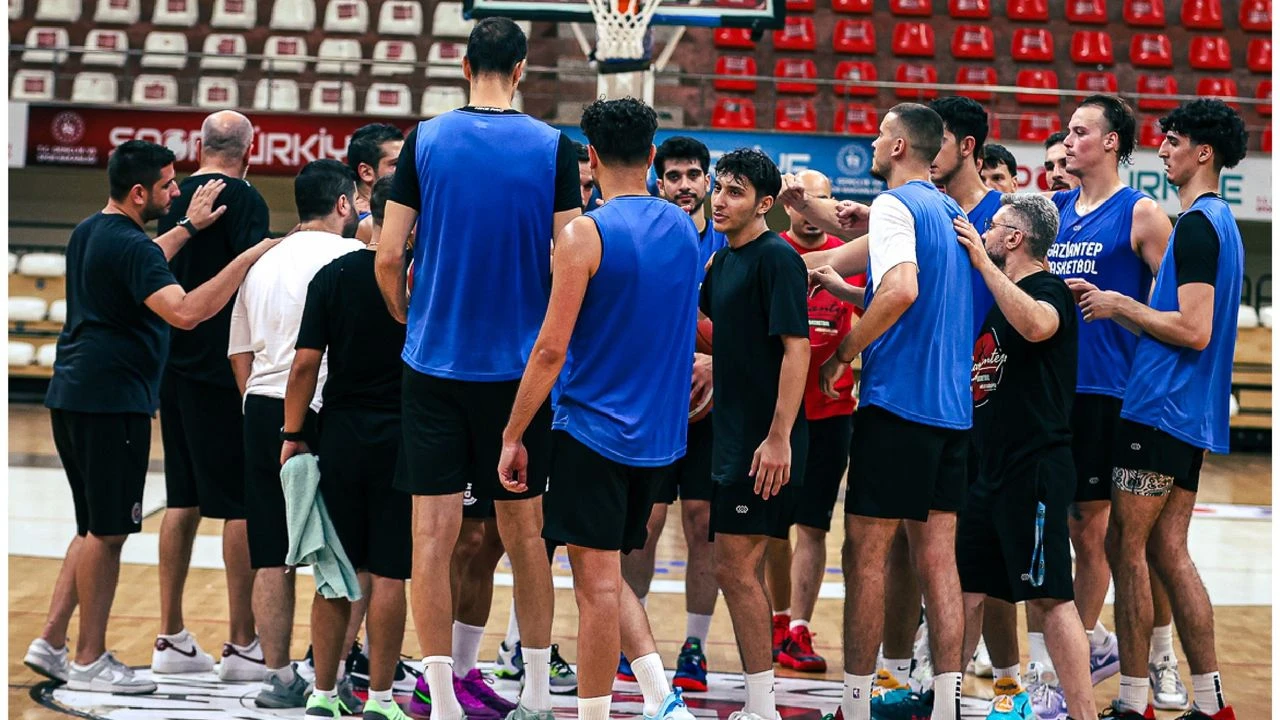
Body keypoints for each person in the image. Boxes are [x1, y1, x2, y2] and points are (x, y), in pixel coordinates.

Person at [375, 17, 583, 720]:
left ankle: (439, 697)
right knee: (526, 538)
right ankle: (530, 694)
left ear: (465, 66)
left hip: (433, 366)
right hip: (519, 378)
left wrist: (412, 318)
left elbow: (385, 254)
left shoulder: (424, 139)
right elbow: (569, 258)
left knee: (429, 540)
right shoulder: (555, 146)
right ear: (522, 70)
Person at [26, 140, 279, 693]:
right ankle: (90, 659)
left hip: (71, 392)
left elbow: (145, 258)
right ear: (140, 192)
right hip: (113, 401)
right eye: (168, 185)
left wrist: (187, 226)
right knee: (111, 533)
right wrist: (247, 257)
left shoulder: (94, 230)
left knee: (92, 527)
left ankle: (49, 640)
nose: (177, 190)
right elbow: (186, 312)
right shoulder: (133, 248)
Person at [500, 95, 700, 720]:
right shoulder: (684, 229)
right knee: (611, 585)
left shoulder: (584, 234)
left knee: (596, 592)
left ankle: (593, 714)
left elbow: (550, 348)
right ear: (650, 156)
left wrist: (513, 431)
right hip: (660, 444)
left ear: (590, 155)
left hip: (593, 434)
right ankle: (659, 699)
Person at [1069, 99, 1245, 720]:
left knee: (1127, 548)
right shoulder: (1220, 224)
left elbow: (1193, 330)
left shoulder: (1196, 226)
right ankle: (1211, 700)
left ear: (1203, 153)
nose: (1163, 150)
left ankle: (1136, 697)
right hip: (1188, 411)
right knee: (1169, 551)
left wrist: (1121, 306)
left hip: (1159, 407)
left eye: (1174, 141)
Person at [811, 104, 971, 720]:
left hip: (899, 404)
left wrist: (846, 352)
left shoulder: (896, 206)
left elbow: (901, 289)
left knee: (864, 555)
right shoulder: (950, 210)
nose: (872, 142)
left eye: (880, 133)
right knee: (938, 562)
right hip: (951, 412)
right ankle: (948, 705)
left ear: (900, 145)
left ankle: (854, 707)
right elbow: (919, 293)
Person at [1038, 94, 1176, 715]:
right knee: (1057, 527)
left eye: (1080, 132)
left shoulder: (1142, 215)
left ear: (1113, 141)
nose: (1068, 142)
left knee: (1089, 528)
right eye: (1067, 132)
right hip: (1051, 390)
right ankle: (1078, 649)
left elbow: (1180, 311)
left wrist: (1121, 308)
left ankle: (1085, 651)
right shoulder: (1056, 210)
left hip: (1109, 393)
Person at [953, 194, 1097, 720]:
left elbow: (1039, 325)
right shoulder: (1003, 294)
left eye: (993, 227)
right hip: (988, 469)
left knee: (1050, 597)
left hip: (1034, 468)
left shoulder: (1045, 287)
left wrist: (986, 268)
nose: (985, 233)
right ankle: (945, 700)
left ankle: (1082, 714)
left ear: (1014, 238)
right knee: (966, 590)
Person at [229, 159, 365, 709]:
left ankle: (280, 676)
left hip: (262, 408)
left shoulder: (263, 263)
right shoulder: (354, 258)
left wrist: (254, 401)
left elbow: (238, 348)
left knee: (272, 553)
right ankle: (331, 673)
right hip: (326, 411)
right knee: (351, 550)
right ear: (342, 203)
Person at [142, 110, 272, 681]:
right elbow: (252, 286)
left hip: (173, 364)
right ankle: (243, 642)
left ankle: (169, 635)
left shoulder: (173, 198)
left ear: (198, 145)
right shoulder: (247, 200)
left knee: (181, 501)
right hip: (224, 366)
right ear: (252, 148)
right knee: (239, 505)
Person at [278, 176, 412, 719]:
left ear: (369, 214)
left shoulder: (332, 275)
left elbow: (305, 364)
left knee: (337, 569)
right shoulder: (421, 278)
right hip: (407, 438)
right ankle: (381, 698)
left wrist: (291, 435)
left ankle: (324, 694)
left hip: (341, 436)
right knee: (389, 573)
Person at [701, 148, 810, 720]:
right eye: (719, 187)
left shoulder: (777, 260)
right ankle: (759, 699)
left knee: (736, 569)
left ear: (766, 204)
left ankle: (763, 705)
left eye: (735, 190)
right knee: (732, 567)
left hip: (765, 443)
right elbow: (727, 339)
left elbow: (798, 348)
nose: (719, 199)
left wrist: (778, 437)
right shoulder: (721, 264)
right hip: (730, 435)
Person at [618, 134, 726, 693]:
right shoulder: (642, 235)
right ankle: (631, 641)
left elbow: (755, 334)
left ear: (707, 182)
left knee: (703, 525)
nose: (684, 185)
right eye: (674, 175)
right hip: (652, 407)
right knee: (644, 525)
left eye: (693, 175)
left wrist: (716, 360)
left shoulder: (730, 243)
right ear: (659, 180)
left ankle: (695, 644)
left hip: (714, 414)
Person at [767, 169, 861, 675]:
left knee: (814, 525)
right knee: (773, 526)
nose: (811, 210)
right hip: (779, 415)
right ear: (789, 206)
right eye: (803, 201)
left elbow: (877, 309)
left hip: (832, 414)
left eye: (821, 200)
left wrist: (845, 357)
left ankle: (799, 626)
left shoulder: (852, 261)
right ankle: (776, 619)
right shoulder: (772, 252)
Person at [350, 123, 404, 243]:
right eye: (395, 164)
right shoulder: (354, 223)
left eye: (407, 162)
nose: (407, 169)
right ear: (366, 172)